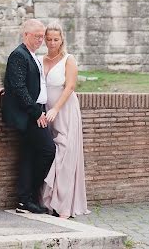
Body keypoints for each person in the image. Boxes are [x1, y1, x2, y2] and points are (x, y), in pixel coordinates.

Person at [1, 19, 56, 215]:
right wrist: (36, 112)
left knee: (28, 156)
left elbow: (22, 82)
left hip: (34, 111)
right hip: (30, 115)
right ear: (26, 35)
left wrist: (6, 87)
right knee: (48, 151)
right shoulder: (18, 55)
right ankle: (29, 197)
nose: (41, 40)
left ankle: (25, 201)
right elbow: (19, 87)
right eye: (37, 36)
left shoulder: (31, 55)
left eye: (42, 37)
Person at [41, 20, 89, 218]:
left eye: (56, 39)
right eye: (49, 39)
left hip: (65, 110)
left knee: (65, 154)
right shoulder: (39, 58)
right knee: (51, 152)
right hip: (45, 110)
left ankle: (64, 205)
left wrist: (56, 109)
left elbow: (69, 87)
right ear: (44, 39)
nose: (52, 42)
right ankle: (50, 200)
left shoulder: (69, 59)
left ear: (62, 40)